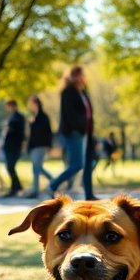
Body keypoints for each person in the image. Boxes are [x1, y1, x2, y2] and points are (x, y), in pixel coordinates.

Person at [49, 65, 97, 201]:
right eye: (80, 75)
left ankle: (89, 195)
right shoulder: (68, 92)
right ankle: (53, 185)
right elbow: (69, 114)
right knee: (77, 164)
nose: (82, 78)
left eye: (83, 75)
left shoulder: (83, 92)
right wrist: (79, 127)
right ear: (73, 76)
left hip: (87, 133)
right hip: (75, 133)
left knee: (88, 163)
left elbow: (88, 113)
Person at [25, 94, 54, 198]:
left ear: (36, 104)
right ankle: (53, 181)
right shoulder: (35, 117)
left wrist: (49, 145)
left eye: (31, 104)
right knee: (37, 167)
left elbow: (48, 132)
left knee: (37, 168)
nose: (30, 106)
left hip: (40, 145)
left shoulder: (43, 117)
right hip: (34, 146)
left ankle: (37, 189)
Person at [1, 99, 25, 197]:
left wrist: (8, 129)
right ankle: (15, 187)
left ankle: (16, 187)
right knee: (10, 167)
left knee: (10, 167)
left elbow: (18, 131)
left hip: (14, 146)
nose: (7, 109)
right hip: (9, 146)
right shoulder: (11, 117)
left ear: (12, 106)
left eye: (8, 106)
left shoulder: (17, 117)